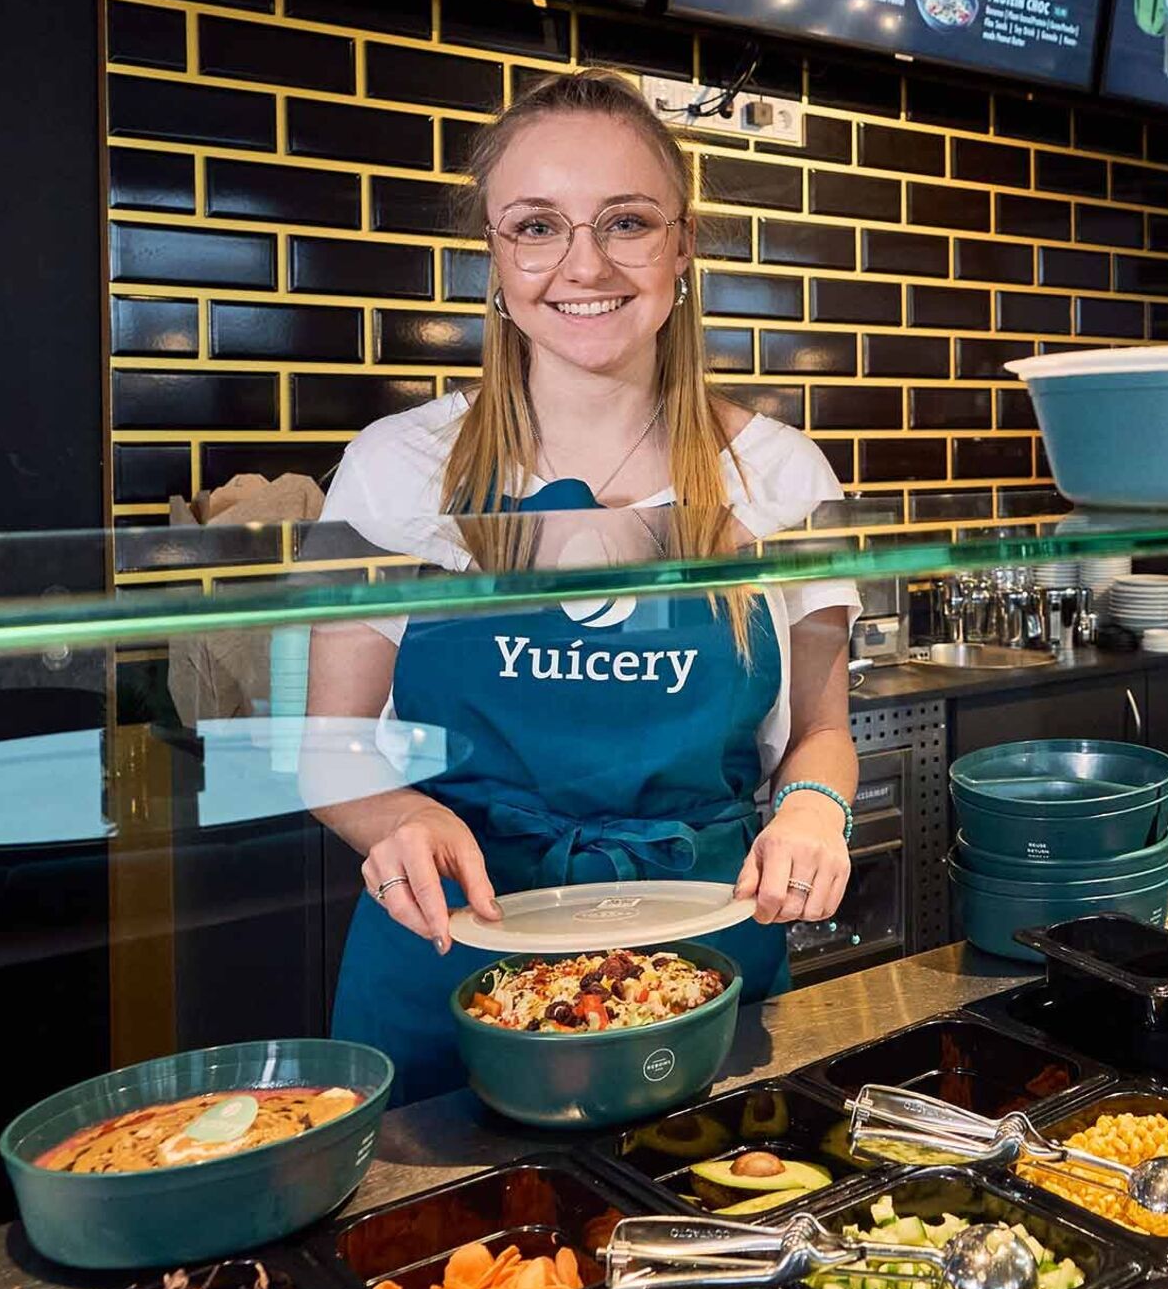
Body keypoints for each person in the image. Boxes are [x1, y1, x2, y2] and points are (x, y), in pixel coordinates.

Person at [306, 69, 859, 1104]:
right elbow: (328, 748)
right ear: (496, 258)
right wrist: (388, 820)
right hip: (455, 950)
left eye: (627, 222)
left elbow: (820, 736)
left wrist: (814, 814)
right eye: (537, 227)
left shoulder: (784, 476)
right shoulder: (396, 465)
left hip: (702, 950)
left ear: (683, 245)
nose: (584, 264)